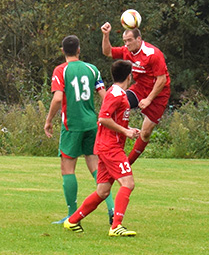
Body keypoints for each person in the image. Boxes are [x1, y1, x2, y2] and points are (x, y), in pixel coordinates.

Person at [64, 60, 141, 237]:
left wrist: (127, 130)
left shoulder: (117, 93)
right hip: (110, 147)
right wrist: (125, 131)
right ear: (129, 76)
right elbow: (103, 118)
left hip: (106, 146)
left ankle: (72, 220)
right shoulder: (115, 94)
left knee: (103, 190)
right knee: (128, 183)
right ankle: (116, 226)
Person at [44, 35, 115, 225]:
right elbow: (105, 95)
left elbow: (58, 98)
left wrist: (48, 120)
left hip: (72, 125)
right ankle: (112, 208)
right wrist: (110, 117)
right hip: (92, 124)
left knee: (67, 168)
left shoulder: (61, 70)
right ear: (78, 50)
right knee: (96, 168)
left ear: (62, 51)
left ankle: (72, 215)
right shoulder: (92, 69)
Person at [101, 21, 170, 164]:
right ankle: (112, 149)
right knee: (119, 106)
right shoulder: (127, 51)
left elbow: (161, 80)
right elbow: (107, 52)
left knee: (145, 133)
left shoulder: (153, 54)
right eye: (125, 41)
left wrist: (149, 99)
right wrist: (106, 35)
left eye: (129, 40)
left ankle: (127, 164)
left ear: (139, 39)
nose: (126, 44)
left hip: (158, 95)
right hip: (139, 89)